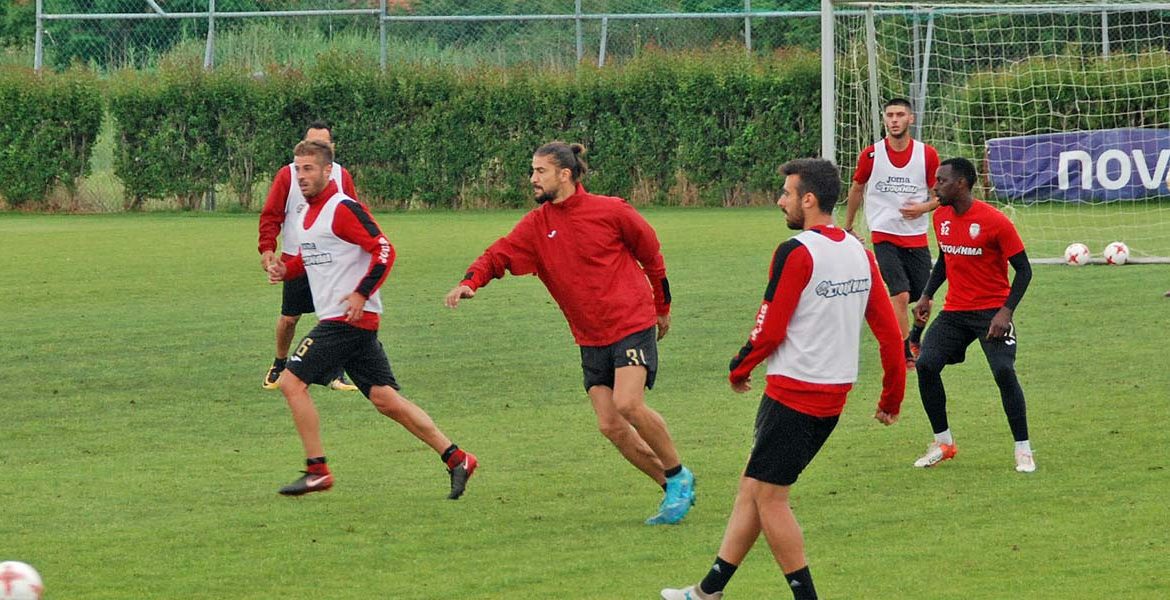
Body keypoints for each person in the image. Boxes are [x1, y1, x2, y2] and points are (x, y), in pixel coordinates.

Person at [662, 158, 905, 600]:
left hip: (793, 396)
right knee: (752, 488)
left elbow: (769, 328)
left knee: (771, 499)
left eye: (787, 194)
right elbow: (889, 331)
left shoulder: (796, 251)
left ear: (808, 200)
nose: (780, 201)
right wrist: (892, 396)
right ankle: (706, 592)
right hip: (830, 400)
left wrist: (739, 367)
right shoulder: (860, 252)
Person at [443, 141, 695, 525]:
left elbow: (651, 256)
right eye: (532, 170)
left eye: (540, 171)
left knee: (628, 403)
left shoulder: (612, 211)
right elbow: (498, 254)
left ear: (565, 174)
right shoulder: (536, 225)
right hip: (590, 336)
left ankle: (679, 475)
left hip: (631, 321)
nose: (533, 178)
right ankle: (671, 488)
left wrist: (662, 307)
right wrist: (470, 281)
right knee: (610, 425)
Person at [266, 140, 478, 499]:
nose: (301, 176)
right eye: (297, 169)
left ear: (328, 171)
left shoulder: (342, 207)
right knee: (385, 399)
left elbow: (383, 249)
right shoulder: (306, 216)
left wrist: (362, 293)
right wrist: (287, 270)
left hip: (346, 320)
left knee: (290, 382)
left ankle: (317, 470)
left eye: (309, 168)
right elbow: (312, 257)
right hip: (349, 322)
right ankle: (457, 458)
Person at [911, 157, 1036, 473]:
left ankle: (1023, 449)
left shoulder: (995, 222)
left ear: (961, 184)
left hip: (992, 312)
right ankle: (944, 443)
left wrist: (1005, 312)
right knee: (926, 364)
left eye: (941, 181)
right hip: (955, 312)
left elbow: (1024, 270)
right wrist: (927, 294)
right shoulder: (941, 217)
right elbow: (945, 258)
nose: (935, 186)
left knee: (1003, 371)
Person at [258, 120, 358, 392]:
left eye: (322, 144)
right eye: (311, 143)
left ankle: (335, 372)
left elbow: (354, 215)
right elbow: (271, 215)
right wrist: (267, 248)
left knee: (336, 317)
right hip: (296, 259)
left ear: (331, 147)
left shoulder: (342, 176)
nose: (316, 148)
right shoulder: (288, 175)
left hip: (332, 261)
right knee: (290, 318)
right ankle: (279, 363)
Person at [843, 98, 940, 369]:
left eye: (899, 115)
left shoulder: (927, 155)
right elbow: (857, 189)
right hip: (884, 235)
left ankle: (915, 337)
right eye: (890, 115)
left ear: (911, 119)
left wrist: (922, 208)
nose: (894, 120)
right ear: (884, 119)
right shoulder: (871, 155)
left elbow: (939, 196)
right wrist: (848, 226)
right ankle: (904, 352)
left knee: (924, 299)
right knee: (900, 294)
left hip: (916, 237)